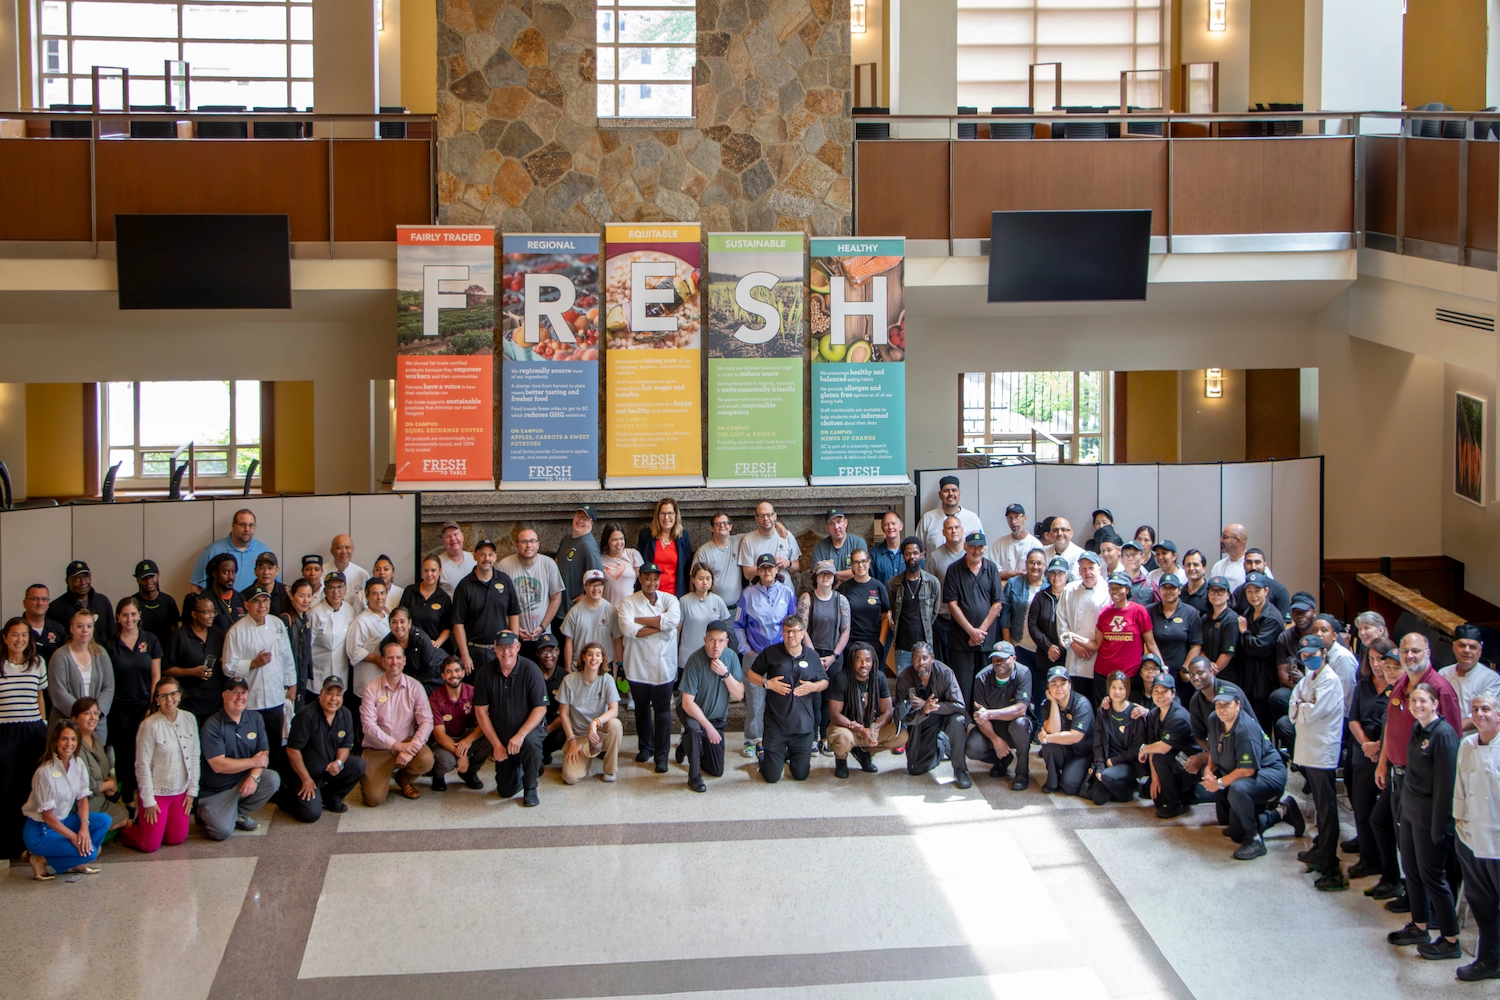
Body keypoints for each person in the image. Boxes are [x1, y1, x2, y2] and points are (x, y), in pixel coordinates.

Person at [1372, 633, 1464, 910]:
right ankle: (1415, 900)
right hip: (1400, 776)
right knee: (1407, 846)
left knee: (1434, 850)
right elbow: (1392, 725)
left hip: (1428, 785)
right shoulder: (1402, 682)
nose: (1409, 656)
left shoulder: (1440, 690)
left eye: (1415, 651)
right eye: (1405, 651)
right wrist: (1383, 761)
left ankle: (1438, 910)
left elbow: (1452, 740)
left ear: (1428, 652)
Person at [1389, 683, 1462, 960]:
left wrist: (1439, 826)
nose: (1417, 704)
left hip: (1429, 814)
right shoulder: (1418, 728)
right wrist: (1401, 814)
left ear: (1435, 703)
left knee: (1434, 877)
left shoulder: (1443, 735)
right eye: (1413, 700)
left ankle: (1450, 938)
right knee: (1411, 871)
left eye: (1423, 700)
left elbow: (1447, 785)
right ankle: (1419, 926)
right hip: (1410, 810)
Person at [1203, 686, 1298, 860]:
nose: (1221, 709)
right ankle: (1284, 811)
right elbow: (1215, 751)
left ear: (1238, 705)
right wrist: (1208, 770)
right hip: (1243, 773)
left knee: (1237, 789)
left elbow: (1248, 770)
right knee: (1236, 834)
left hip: (1268, 772)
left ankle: (1255, 840)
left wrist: (1219, 783)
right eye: (1218, 705)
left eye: (1227, 704)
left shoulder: (1245, 728)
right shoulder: (1214, 720)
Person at [1288, 634, 1349, 890]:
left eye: (1312, 654)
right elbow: (1294, 707)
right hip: (1308, 747)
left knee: (1326, 807)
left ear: (1323, 653)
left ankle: (1329, 860)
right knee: (1321, 805)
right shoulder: (1308, 678)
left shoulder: (1331, 681)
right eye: (1304, 656)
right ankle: (1321, 846)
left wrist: (1304, 705)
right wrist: (1303, 704)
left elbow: (1311, 712)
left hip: (1322, 750)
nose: (1308, 659)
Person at [21, 720, 110, 880]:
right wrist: (75, 838)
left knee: (104, 820)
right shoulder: (45, 772)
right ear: (55, 741)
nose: (69, 743)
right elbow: (47, 816)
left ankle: (76, 859)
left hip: (63, 821)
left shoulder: (78, 764)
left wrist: (84, 829)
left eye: (73, 739)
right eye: (64, 739)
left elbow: (82, 800)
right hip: (41, 831)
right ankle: (39, 858)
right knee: (91, 852)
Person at [222, 586, 296, 775]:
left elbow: (287, 655)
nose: (262, 605)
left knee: (275, 743)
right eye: (257, 601)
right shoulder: (236, 631)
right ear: (247, 605)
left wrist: (292, 683)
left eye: (265, 601)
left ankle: (274, 785)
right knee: (252, 745)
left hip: (275, 697)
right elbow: (228, 666)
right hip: (250, 701)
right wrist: (253, 663)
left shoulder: (278, 624)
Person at [119, 678, 199, 852]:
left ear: (180, 695)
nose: (169, 699)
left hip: (180, 791)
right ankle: (126, 829)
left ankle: (158, 827)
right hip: (157, 793)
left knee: (176, 839)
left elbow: (194, 756)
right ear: (157, 700)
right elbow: (142, 765)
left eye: (173, 694)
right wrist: (148, 800)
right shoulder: (149, 725)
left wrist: (192, 791)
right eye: (163, 696)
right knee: (150, 845)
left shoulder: (190, 719)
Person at [197, 677, 281, 839]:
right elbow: (218, 765)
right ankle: (205, 813)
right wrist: (252, 762)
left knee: (271, 779)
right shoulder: (212, 725)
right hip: (216, 791)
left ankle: (239, 813)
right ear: (224, 696)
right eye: (234, 692)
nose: (240, 697)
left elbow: (263, 754)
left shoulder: (255, 719)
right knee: (221, 833)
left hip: (242, 783)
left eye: (243, 692)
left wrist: (254, 777)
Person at [616, 563, 680, 772]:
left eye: (655, 578)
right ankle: (646, 747)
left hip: (664, 667)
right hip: (638, 666)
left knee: (662, 711)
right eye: (647, 578)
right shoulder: (628, 602)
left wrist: (641, 622)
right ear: (640, 579)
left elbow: (673, 621)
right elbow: (627, 629)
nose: (652, 582)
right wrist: (660, 626)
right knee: (641, 710)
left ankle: (661, 757)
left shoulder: (670, 599)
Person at [750, 615, 830, 783]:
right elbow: (751, 674)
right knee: (771, 777)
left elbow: (825, 682)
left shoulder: (812, 656)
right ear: (782, 632)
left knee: (800, 775)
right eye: (787, 631)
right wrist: (767, 683)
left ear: (802, 633)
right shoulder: (771, 653)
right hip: (776, 726)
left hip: (803, 727)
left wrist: (813, 687)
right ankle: (764, 754)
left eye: (794, 631)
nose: (790, 635)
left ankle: (786, 754)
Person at [472, 631, 548, 807]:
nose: (506, 652)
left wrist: (520, 735)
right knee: (505, 791)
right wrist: (496, 744)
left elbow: (540, 708)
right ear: (495, 649)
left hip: (528, 731)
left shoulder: (531, 670)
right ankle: (531, 767)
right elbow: (481, 712)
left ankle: (531, 787)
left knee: (530, 744)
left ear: (518, 647)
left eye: (510, 647)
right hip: (502, 734)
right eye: (501, 647)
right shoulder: (485, 673)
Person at [1454, 692, 1500, 981]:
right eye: (1475, 709)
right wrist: (1459, 822)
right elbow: (1460, 786)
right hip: (1470, 837)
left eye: (1486, 709)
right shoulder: (1467, 745)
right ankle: (1489, 960)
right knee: (1480, 902)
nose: (1480, 714)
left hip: (1497, 840)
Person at [735, 553, 798, 759]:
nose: (767, 571)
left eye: (770, 568)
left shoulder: (787, 593)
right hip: (756, 656)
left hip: (781, 656)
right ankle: (752, 740)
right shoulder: (747, 594)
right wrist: (747, 649)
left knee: (782, 699)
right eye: (763, 568)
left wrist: (790, 650)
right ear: (758, 571)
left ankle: (780, 739)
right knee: (755, 701)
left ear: (776, 570)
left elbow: (792, 624)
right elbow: (738, 625)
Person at [277, 675, 365, 821]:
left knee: (359, 765)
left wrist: (339, 763)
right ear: (321, 693)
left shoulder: (346, 714)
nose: (333, 699)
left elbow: (345, 745)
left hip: (327, 771)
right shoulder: (306, 715)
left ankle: (332, 797)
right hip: (303, 775)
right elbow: (292, 750)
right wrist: (306, 779)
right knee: (311, 815)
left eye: (338, 694)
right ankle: (288, 799)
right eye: (329, 693)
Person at [1347, 640, 1399, 886]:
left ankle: (1388, 863)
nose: (1377, 665)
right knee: (1361, 805)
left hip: (1388, 754)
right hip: (1363, 751)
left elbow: (1394, 725)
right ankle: (1368, 858)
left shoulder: (1398, 689)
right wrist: (1366, 744)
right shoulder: (1363, 685)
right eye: (1373, 659)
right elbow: (1353, 718)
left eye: (1382, 659)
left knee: (1383, 816)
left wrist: (1379, 746)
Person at [359, 640, 434, 803]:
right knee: (373, 799)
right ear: (383, 661)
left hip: (406, 744)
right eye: (390, 658)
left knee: (426, 759)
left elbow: (427, 721)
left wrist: (411, 749)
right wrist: (395, 745)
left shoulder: (415, 687)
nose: (395, 662)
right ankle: (374, 775)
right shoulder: (371, 689)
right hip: (377, 749)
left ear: (404, 660)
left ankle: (404, 778)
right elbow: (368, 726)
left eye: (398, 657)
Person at [0, 617, 50, 859]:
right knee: (7, 788)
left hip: (33, 731)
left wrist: (43, 723)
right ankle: (8, 844)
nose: (19, 639)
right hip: (5, 732)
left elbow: (40, 696)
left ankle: (31, 844)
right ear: (5, 638)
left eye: (24, 635)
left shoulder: (38, 663)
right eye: (15, 635)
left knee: (32, 786)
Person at [104, 596, 162, 801]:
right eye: (125, 615)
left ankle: (146, 796)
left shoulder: (151, 639)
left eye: (133, 614)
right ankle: (126, 797)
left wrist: (153, 705)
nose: (129, 619)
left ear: (139, 616)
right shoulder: (110, 644)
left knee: (145, 752)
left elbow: (156, 675)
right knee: (123, 753)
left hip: (144, 705)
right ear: (118, 617)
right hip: (119, 707)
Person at [676, 623, 745, 792]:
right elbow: (687, 703)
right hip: (692, 713)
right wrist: (708, 727)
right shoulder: (694, 660)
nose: (716, 645)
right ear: (705, 640)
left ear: (727, 642)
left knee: (716, 770)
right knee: (693, 729)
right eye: (712, 640)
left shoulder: (731, 657)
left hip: (715, 717)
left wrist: (725, 674)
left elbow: (740, 694)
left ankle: (687, 746)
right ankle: (693, 777)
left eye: (721, 641)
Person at [943, 531, 1004, 713]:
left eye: (980, 547)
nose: (976, 550)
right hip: (961, 640)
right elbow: (952, 605)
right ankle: (964, 722)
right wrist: (971, 631)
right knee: (963, 684)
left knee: (986, 683)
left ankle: (983, 721)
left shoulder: (991, 568)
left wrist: (980, 632)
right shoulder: (954, 569)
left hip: (987, 639)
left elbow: (998, 603)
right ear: (965, 547)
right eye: (972, 546)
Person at [894, 642, 970, 787]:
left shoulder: (945, 673)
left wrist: (930, 706)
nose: (921, 662)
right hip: (922, 720)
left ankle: (960, 771)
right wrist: (923, 710)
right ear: (911, 660)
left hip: (947, 716)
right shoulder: (905, 678)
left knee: (958, 720)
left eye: (924, 658)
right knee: (915, 769)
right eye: (916, 658)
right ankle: (941, 745)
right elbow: (901, 716)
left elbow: (959, 705)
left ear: (932, 658)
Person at [826, 641, 903, 778]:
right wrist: (860, 729)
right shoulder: (841, 678)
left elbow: (888, 711)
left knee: (901, 735)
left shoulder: (879, 677)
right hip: (848, 728)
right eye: (859, 660)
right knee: (842, 738)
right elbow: (834, 714)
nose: (864, 665)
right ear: (852, 661)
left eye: (868, 660)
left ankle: (864, 751)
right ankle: (841, 759)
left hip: (870, 727)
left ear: (873, 661)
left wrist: (874, 728)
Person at [1082, 572, 1159, 703]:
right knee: (1105, 714)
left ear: (1127, 589)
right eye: (1112, 588)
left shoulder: (1139, 611)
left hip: (1131, 675)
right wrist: (1073, 637)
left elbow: (1150, 643)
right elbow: (1098, 644)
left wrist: (1162, 667)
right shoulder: (1104, 613)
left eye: (1119, 587)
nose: (1114, 591)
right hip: (1104, 674)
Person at [966, 642, 1033, 789]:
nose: (998, 662)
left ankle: (1022, 773)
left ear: (1014, 659)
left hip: (1014, 726)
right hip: (992, 728)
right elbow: (980, 716)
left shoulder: (1024, 673)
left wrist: (990, 714)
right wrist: (995, 739)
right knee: (972, 748)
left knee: (1022, 725)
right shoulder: (981, 678)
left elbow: (1021, 709)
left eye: (1003, 658)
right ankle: (1002, 759)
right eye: (995, 659)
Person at [799, 561, 850, 754]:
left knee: (830, 698)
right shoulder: (807, 598)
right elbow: (802, 628)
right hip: (811, 654)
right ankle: (811, 737)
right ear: (816, 577)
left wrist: (834, 656)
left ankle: (825, 736)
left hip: (834, 656)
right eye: (822, 574)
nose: (825, 577)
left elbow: (845, 631)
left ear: (834, 577)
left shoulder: (841, 600)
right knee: (812, 696)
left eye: (829, 574)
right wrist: (813, 655)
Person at [451, 539, 521, 677]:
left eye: (490, 555)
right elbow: (457, 623)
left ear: (495, 556)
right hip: (473, 652)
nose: (486, 558)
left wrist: (513, 647)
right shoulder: (464, 586)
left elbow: (514, 614)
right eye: (482, 554)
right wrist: (465, 656)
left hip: (501, 651)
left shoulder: (505, 581)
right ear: (475, 556)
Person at [557, 641, 622, 785]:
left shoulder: (607, 680)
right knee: (570, 778)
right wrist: (572, 740)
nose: (594, 658)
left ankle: (610, 770)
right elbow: (564, 714)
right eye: (590, 654)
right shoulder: (569, 681)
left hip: (600, 733)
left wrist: (595, 722)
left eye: (598, 655)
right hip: (579, 736)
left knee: (615, 725)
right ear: (583, 657)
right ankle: (586, 758)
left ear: (602, 659)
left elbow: (614, 710)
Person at [1139, 672, 1199, 818]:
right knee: (1151, 793)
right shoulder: (1154, 714)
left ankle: (1175, 803)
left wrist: (1143, 749)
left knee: (1161, 758)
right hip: (1172, 760)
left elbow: (1161, 748)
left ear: (1173, 693)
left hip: (1191, 764)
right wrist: (1155, 779)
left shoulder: (1178, 717)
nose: (1160, 695)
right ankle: (1177, 795)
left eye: (1165, 691)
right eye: (1156, 691)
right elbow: (1154, 746)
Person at [47, 608, 114, 737]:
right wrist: (81, 715)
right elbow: (58, 692)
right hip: (68, 724)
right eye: (80, 626)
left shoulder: (101, 654)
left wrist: (94, 714)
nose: (85, 630)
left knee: (96, 756)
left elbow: (108, 686)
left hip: (96, 723)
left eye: (89, 626)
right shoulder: (60, 656)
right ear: (71, 628)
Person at [499, 525, 564, 657]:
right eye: (524, 542)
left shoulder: (549, 564)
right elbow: (499, 603)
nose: (529, 545)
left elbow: (556, 598)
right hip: (514, 635)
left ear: (538, 544)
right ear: (517, 545)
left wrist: (543, 627)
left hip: (543, 634)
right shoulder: (504, 566)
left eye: (532, 541)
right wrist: (514, 628)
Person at [427, 656, 490, 791]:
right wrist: (462, 755)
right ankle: (438, 775)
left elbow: (484, 722)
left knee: (489, 739)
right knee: (446, 762)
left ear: (463, 672)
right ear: (443, 676)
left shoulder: (473, 692)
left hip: (466, 737)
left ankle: (469, 772)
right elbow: (438, 734)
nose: (453, 675)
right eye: (449, 672)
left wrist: (469, 740)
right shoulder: (435, 698)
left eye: (457, 670)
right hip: (444, 741)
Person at [69, 697, 130, 832]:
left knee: (125, 817)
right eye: (87, 713)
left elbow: (104, 768)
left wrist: (110, 780)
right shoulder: (73, 745)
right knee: (120, 821)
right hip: (83, 803)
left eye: (96, 713)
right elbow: (82, 785)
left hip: (101, 798)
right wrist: (109, 785)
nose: (93, 717)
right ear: (74, 718)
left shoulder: (95, 737)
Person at [164, 593, 225, 726]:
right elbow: (167, 669)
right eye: (207, 612)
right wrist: (192, 672)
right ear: (194, 614)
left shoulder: (217, 633)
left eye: (213, 612)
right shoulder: (180, 636)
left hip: (215, 702)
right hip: (190, 703)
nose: (211, 616)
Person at [1234, 572, 1284, 727]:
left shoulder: (1272, 617)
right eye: (1249, 591)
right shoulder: (1248, 613)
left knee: (1262, 723)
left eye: (1257, 590)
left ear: (1266, 591)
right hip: (1248, 676)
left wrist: (1244, 632)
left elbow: (1258, 647)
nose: (1253, 595)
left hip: (1264, 678)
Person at [1058, 551, 1108, 701]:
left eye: (1091, 568)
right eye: (1083, 568)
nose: (1087, 572)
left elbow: (1107, 627)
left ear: (1099, 569)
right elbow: (1061, 620)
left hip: (1097, 657)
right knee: (1076, 701)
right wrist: (1072, 644)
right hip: (1074, 656)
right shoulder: (1069, 590)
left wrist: (1094, 647)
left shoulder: (1108, 591)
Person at [1091, 670, 1146, 804]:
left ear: (1127, 690)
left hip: (1127, 762)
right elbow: (1097, 742)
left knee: (1106, 777)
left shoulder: (1135, 712)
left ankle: (1128, 791)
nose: (1117, 692)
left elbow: (1137, 748)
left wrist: (1112, 762)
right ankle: (1115, 785)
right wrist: (1101, 765)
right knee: (1097, 799)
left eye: (1121, 688)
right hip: (1108, 760)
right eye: (1113, 687)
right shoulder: (1103, 710)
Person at [1038, 666, 1094, 797]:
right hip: (1064, 749)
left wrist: (1047, 738)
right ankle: (1053, 778)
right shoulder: (1046, 704)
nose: (1059, 688)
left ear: (1070, 685)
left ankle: (1075, 773)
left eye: (1063, 683)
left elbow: (1075, 736)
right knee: (1049, 746)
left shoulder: (1081, 704)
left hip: (1083, 753)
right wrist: (1053, 703)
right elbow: (1053, 730)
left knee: (1070, 786)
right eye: (1054, 684)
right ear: (1048, 687)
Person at [887, 537, 941, 671]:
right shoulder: (893, 583)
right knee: (904, 687)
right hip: (902, 647)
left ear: (922, 555)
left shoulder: (932, 583)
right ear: (903, 556)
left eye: (916, 553)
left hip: (925, 646)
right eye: (908, 553)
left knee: (925, 685)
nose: (912, 557)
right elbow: (893, 610)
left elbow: (934, 612)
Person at [190, 508, 269, 593]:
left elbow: (273, 584)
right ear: (233, 525)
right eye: (242, 524)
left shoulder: (263, 551)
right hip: (222, 605)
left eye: (251, 525)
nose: (247, 529)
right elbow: (196, 586)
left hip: (256, 604)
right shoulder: (212, 551)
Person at [1027, 555, 1070, 709]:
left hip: (1069, 654)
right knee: (1045, 694)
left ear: (1067, 575)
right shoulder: (1040, 597)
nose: (1056, 577)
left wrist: (1063, 647)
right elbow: (1032, 625)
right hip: (1045, 655)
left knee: (1066, 695)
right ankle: (1042, 725)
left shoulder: (1072, 595)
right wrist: (1048, 646)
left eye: (1060, 573)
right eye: (1053, 573)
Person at [1441, 624, 1500, 734]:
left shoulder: (1491, 679)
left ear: (1480, 651)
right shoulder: (1443, 674)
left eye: (1472, 647)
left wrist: (1451, 730)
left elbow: (1483, 714)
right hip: (1445, 736)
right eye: (1462, 646)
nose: (1467, 651)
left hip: (1475, 740)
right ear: (1454, 647)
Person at [1148, 573, 1202, 684]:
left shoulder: (1190, 613)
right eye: (1165, 587)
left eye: (1172, 587)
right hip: (1155, 674)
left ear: (1180, 590)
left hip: (1180, 675)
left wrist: (1185, 669)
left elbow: (1196, 645)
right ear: (1159, 590)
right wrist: (1159, 668)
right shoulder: (1148, 611)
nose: (1168, 591)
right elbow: (1145, 642)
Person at [679, 563, 732, 671]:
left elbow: (724, 631)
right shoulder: (684, 601)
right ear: (693, 580)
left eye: (708, 578)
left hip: (712, 657)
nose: (705, 582)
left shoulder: (718, 601)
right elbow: (677, 631)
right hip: (688, 656)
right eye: (700, 578)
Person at [308, 572, 355, 692]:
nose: (336, 592)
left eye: (339, 587)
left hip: (341, 669)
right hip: (319, 672)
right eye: (331, 588)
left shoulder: (349, 609)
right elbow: (306, 646)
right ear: (325, 591)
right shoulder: (315, 613)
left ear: (345, 589)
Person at [344, 579, 394, 692]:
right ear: (367, 596)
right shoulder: (361, 621)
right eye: (374, 594)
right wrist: (376, 659)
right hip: (368, 677)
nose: (379, 597)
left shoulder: (388, 617)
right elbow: (353, 651)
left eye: (382, 593)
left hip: (387, 676)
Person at [637, 498, 693, 597]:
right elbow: (639, 565)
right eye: (663, 513)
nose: (666, 517)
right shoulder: (646, 535)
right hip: (651, 594)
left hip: (675, 595)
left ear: (676, 515)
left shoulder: (683, 537)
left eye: (670, 513)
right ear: (657, 516)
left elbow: (687, 568)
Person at [382, 605, 445, 695]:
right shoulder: (386, 644)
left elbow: (429, 670)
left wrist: (413, 688)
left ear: (409, 623)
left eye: (402, 621)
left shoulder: (422, 640)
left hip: (433, 677)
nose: (398, 626)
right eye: (394, 622)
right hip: (405, 683)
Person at [561, 569, 615, 672]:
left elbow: (617, 639)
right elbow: (569, 642)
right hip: (580, 665)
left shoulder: (611, 610)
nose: (596, 588)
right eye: (592, 585)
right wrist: (568, 669)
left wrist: (618, 666)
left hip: (604, 666)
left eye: (599, 585)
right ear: (585, 587)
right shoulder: (574, 612)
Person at [737, 502, 801, 588]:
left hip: (784, 592)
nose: (766, 518)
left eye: (769, 515)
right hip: (759, 594)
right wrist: (766, 568)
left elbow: (797, 566)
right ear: (756, 518)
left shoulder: (786, 535)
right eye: (761, 516)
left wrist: (788, 563)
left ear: (775, 516)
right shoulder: (748, 540)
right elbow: (747, 574)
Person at [1001, 547, 1045, 671]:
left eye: (1039, 563)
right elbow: (1005, 615)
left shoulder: (1050, 585)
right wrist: (1008, 643)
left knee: (1041, 686)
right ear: (1026, 563)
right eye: (1032, 562)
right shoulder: (1013, 583)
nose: (1035, 566)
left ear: (1045, 566)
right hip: (1019, 644)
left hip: (1042, 647)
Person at [399, 555, 454, 650]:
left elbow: (448, 627)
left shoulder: (444, 598)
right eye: (426, 570)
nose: (429, 574)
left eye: (433, 570)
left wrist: (437, 643)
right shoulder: (410, 591)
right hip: (411, 646)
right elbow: (401, 617)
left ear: (440, 571)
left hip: (433, 649)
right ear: (422, 571)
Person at [693, 512, 744, 611]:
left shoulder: (739, 541)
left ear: (730, 526)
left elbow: (760, 532)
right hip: (712, 609)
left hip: (736, 609)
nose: (722, 526)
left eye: (725, 523)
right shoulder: (703, 552)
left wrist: (778, 524)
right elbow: (694, 581)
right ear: (712, 528)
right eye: (717, 524)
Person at [919, 475, 983, 554]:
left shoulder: (972, 519)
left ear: (959, 494)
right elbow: (918, 551)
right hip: (935, 565)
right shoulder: (928, 519)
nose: (950, 494)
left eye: (954, 490)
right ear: (940, 494)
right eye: (946, 491)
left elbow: (982, 549)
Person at [840, 549, 888, 651]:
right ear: (852, 565)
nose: (860, 565)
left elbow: (885, 617)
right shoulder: (844, 588)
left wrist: (881, 643)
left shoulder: (879, 587)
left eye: (863, 561)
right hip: (850, 643)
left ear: (869, 562)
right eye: (856, 562)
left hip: (874, 643)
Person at [49, 559, 113, 631]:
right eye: (77, 579)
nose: (83, 582)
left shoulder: (103, 601)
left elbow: (111, 633)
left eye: (86, 577)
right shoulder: (55, 608)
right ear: (67, 581)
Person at [810, 508, 868, 587]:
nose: (836, 527)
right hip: (830, 593)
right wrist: (848, 575)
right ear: (827, 527)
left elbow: (861, 572)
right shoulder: (819, 547)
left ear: (846, 522)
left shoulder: (859, 543)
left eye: (839, 522)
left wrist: (830, 573)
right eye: (831, 524)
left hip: (854, 591)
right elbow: (817, 575)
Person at [280, 578, 316, 703]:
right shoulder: (286, 620)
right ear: (292, 596)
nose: (306, 600)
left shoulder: (305, 618)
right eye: (301, 596)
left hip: (301, 678)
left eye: (309, 596)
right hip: (289, 683)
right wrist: (290, 684)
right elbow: (283, 656)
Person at [1200, 575, 1240, 682]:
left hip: (1226, 674)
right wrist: (1208, 665)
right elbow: (1200, 646)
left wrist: (1213, 671)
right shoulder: (1205, 618)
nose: (1216, 594)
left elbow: (1228, 653)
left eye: (1220, 591)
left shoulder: (1231, 618)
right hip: (1206, 672)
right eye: (1212, 591)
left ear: (1228, 595)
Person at [131, 560, 180, 646]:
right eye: (144, 578)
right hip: (140, 651)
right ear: (138, 580)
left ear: (158, 575)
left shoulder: (168, 601)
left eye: (152, 576)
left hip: (165, 651)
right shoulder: (133, 603)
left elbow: (174, 632)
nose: (149, 580)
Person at [1231, 549, 1290, 618]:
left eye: (1257, 562)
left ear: (1265, 565)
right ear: (1244, 565)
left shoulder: (1279, 591)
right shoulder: (1238, 592)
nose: (1253, 567)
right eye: (1249, 562)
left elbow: (1283, 624)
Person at [22, 585, 68, 667]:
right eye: (34, 599)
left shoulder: (58, 629)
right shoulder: (14, 630)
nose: (40, 603)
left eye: (44, 599)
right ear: (25, 603)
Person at [600, 522, 644, 608]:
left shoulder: (633, 554)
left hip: (629, 608)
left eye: (621, 538)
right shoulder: (600, 559)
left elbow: (641, 582)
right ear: (607, 541)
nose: (619, 542)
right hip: (607, 608)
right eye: (614, 540)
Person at [201, 553, 247, 633]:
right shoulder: (205, 599)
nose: (231, 577)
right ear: (215, 574)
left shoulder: (241, 598)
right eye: (226, 572)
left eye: (233, 572)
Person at [990, 503, 1034, 582]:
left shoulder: (1035, 544)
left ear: (1024, 518)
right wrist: (1014, 574)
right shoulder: (999, 543)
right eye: (1010, 518)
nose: (1013, 522)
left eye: (1017, 517)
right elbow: (993, 573)